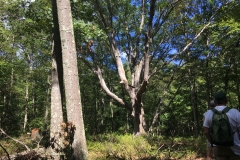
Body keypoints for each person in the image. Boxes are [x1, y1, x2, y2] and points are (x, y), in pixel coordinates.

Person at [203, 91, 240, 160]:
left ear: (215, 101)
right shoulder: (235, 112)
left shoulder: (209, 113)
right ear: (226, 100)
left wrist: (212, 142)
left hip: (218, 148)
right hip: (235, 148)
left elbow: (206, 132)